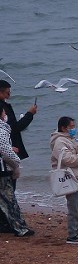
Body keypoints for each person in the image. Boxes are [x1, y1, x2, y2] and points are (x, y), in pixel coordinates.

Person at [50, 117, 78, 245]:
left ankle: (77, 232)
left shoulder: (74, 139)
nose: (74, 129)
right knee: (74, 207)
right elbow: (66, 159)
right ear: (64, 128)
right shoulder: (59, 141)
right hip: (70, 177)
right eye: (71, 126)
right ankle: (72, 235)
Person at [0, 79, 36, 236]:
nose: (10, 94)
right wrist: (29, 115)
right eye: (7, 92)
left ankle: (4, 223)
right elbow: (14, 128)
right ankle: (15, 226)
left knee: (4, 195)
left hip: (7, 154)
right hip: (4, 164)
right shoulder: (2, 112)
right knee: (9, 195)